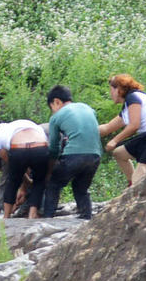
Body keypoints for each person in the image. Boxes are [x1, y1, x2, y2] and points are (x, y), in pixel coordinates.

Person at [41, 86, 102, 220]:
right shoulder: (88, 108)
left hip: (74, 155)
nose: (52, 111)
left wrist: (51, 167)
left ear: (56, 101)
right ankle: (86, 217)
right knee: (81, 188)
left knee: (54, 184)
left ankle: (47, 217)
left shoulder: (56, 117)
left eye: (51, 107)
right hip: (95, 155)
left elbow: (54, 147)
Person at [0, 117, 49, 218]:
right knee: (39, 181)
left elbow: (10, 162)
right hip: (41, 146)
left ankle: (6, 216)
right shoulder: (14, 126)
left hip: (19, 147)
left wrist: (24, 179)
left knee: (12, 182)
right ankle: (32, 214)